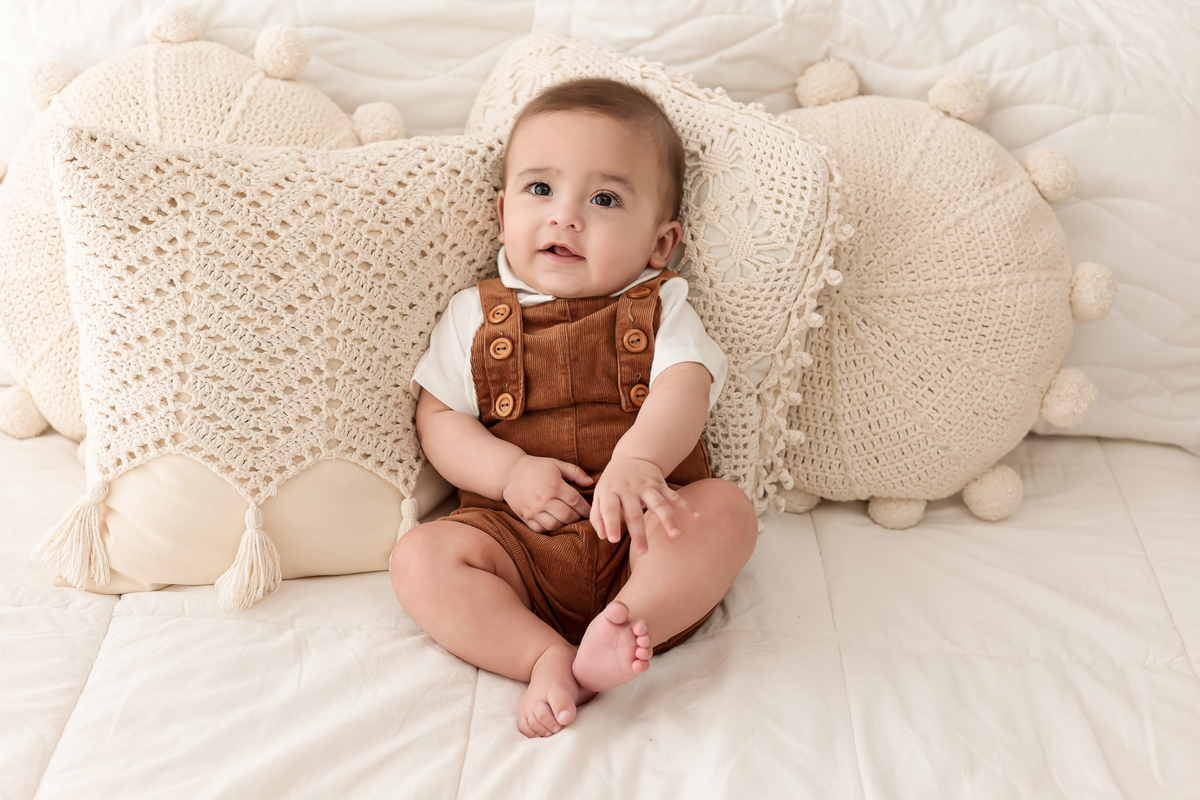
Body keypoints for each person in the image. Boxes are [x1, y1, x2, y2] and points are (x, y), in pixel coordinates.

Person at [391, 78, 758, 738]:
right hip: (516, 542)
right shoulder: (473, 313)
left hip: (642, 538)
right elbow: (439, 419)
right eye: (540, 189)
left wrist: (639, 461)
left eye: (604, 199)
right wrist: (509, 473)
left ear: (660, 244)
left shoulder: (662, 304)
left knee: (726, 510)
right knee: (419, 559)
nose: (565, 217)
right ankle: (543, 655)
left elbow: (686, 384)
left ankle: (630, 621)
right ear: (502, 212)